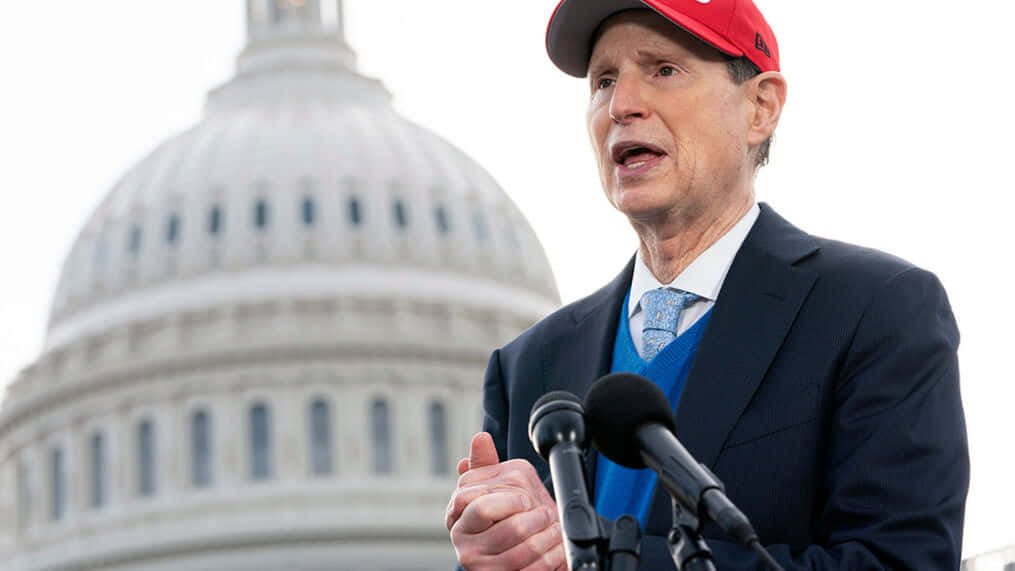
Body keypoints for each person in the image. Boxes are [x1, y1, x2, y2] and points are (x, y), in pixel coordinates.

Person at [445, 0, 969, 569]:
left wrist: (589, 555)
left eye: (664, 70)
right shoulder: (530, 364)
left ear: (760, 108)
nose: (621, 105)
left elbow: (899, 561)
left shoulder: (875, 310)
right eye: (604, 80)